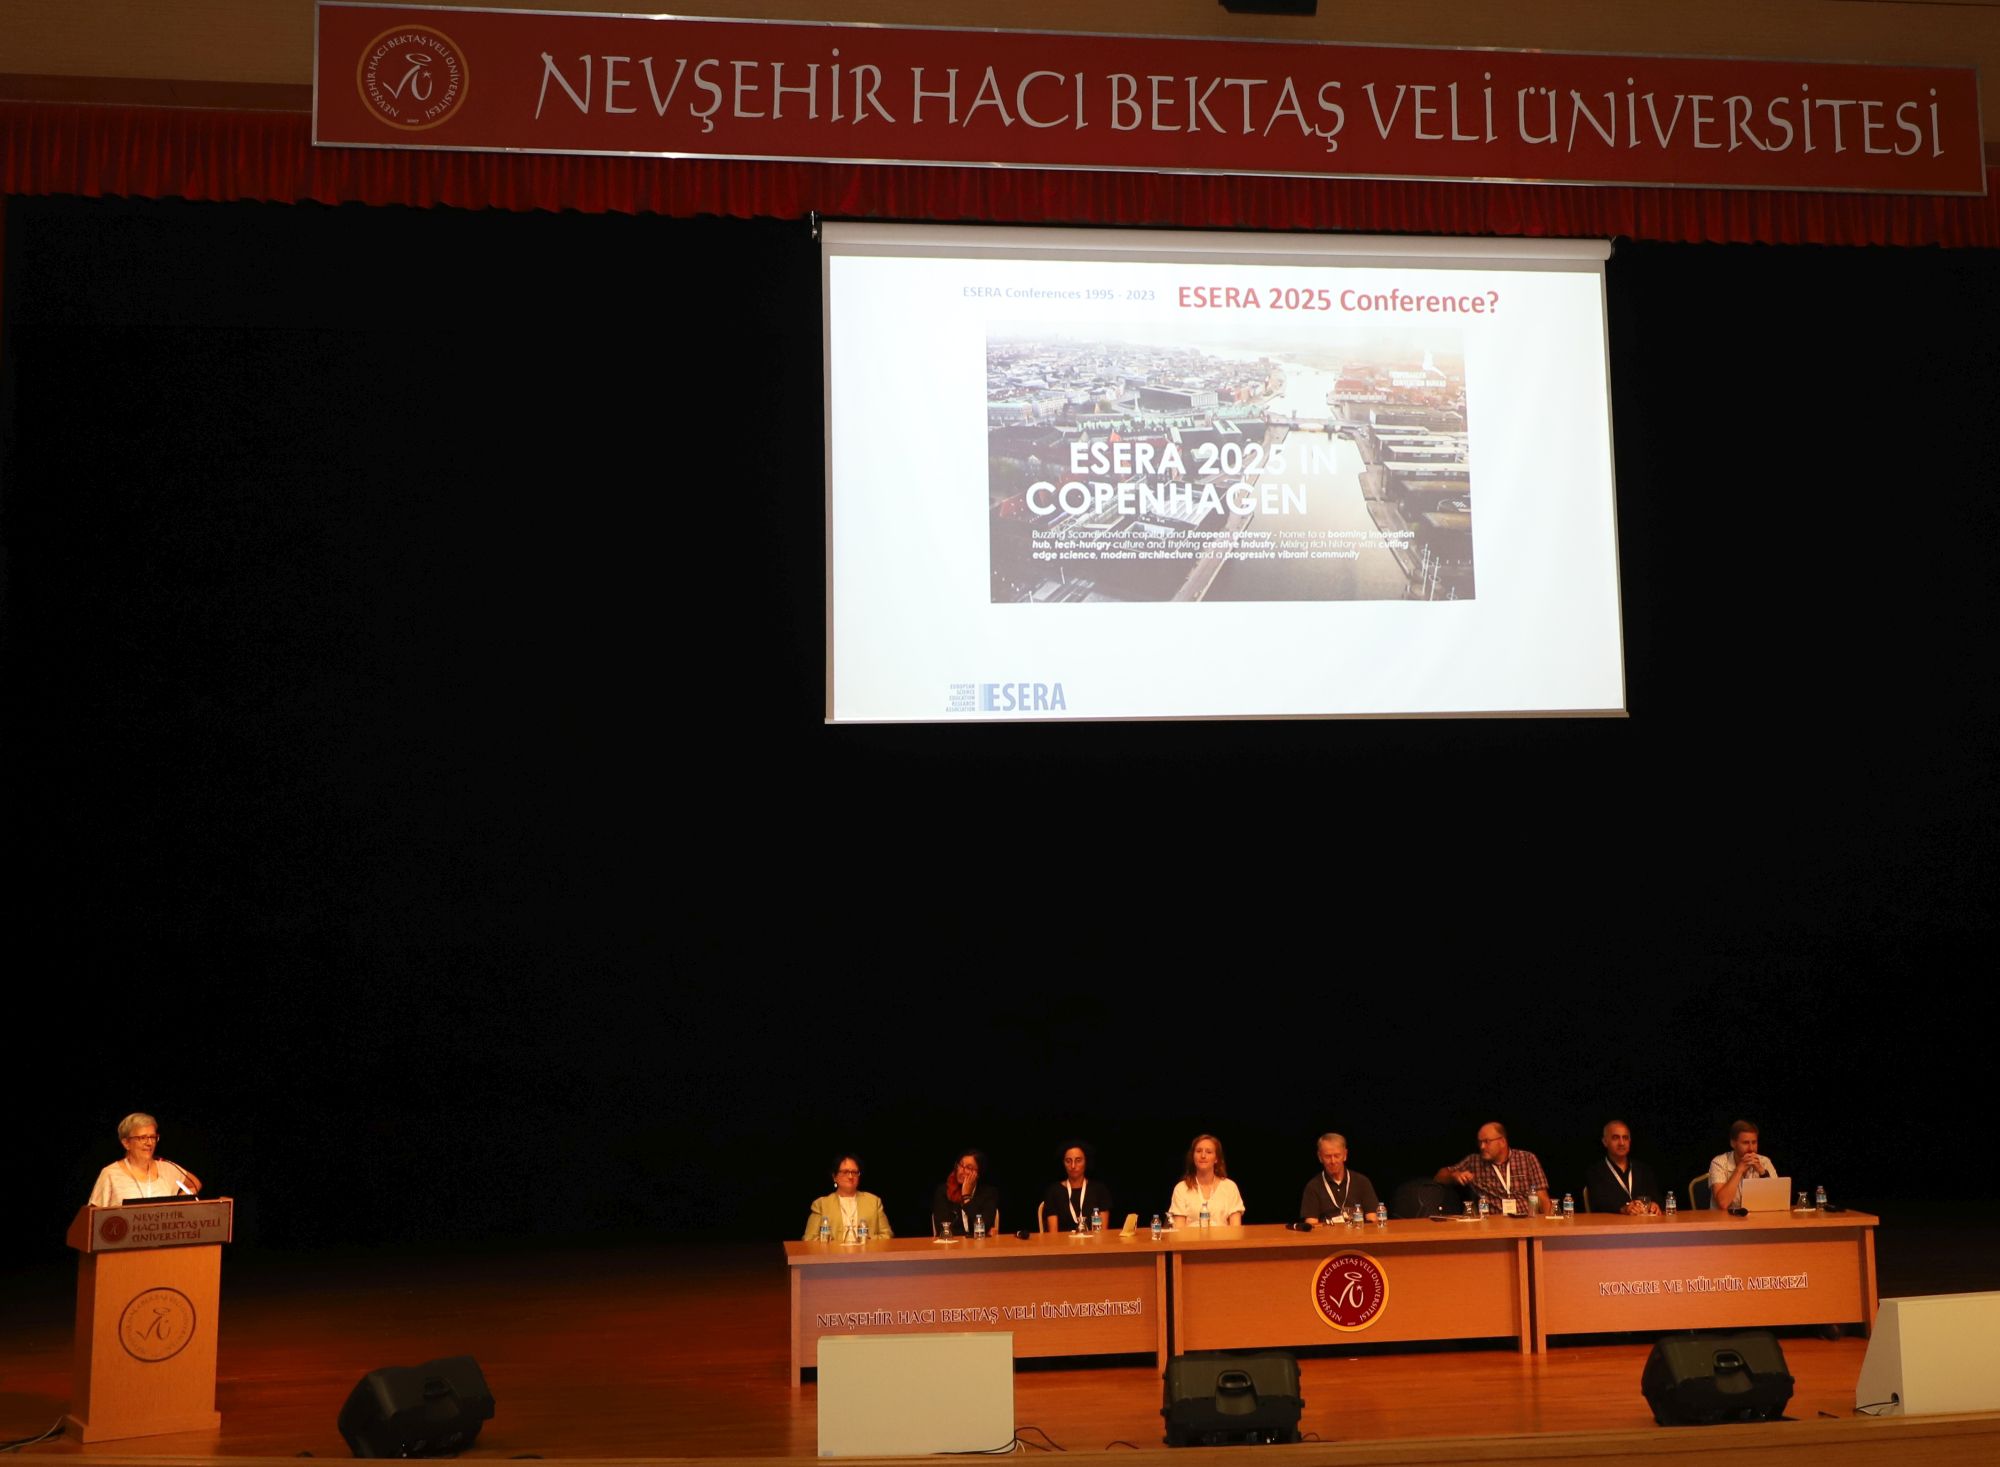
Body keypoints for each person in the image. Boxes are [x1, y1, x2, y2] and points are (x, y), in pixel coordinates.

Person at [1434, 1121, 1551, 1216]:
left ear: (1502, 1142)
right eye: (1480, 1142)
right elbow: (1438, 1177)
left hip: (1525, 1221)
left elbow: (1543, 1198)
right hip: (1492, 1224)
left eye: (1486, 1141)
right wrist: (1454, 1175)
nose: (1482, 1146)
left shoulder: (1527, 1158)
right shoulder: (1474, 1161)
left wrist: (1548, 1228)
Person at [88, 1113, 200, 1206]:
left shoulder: (168, 1168)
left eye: (152, 1137)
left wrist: (177, 1205)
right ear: (126, 1143)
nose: (149, 1143)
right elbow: (92, 1215)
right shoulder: (110, 1174)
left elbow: (194, 1185)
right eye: (142, 1138)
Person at [803, 1153, 892, 1241]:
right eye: (845, 1172)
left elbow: (887, 1235)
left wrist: (865, 1241)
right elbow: (809, 1238)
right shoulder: (821, 1204)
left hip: (867, 1250)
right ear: (834, 1177)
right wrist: (833, 1245)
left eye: (854, 1172)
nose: (850, 1176)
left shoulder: (874, 1201)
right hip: (833, 1251)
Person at [1297, 1132, 1381, 1224]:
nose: (1333, 1161)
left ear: (1345, 1155)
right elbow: (1311, 1224)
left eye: (1337, 1156)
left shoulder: (1362, 1182)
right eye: (1328, 1156)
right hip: (1327, 1233)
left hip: (1357, 1232)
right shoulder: (1313, 1186)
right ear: (1320, 1157)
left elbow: (1372, 1220)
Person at [1582, 1120, 1663, 1215]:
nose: (1621, 1143)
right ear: (1605, 1142)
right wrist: (1623, 1209)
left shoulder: (1643, 1170)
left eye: (1625, 1138)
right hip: (1610, 1223)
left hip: (1643, 1222)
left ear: (1630, 1141)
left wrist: (1654, 1205)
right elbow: (1599, 1204)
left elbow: (1657, 1198)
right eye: (1615, 1138)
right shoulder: (1595, 1172)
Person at [1168, 1134, 1244, 1226]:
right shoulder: (1181, 1188)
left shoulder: (1230, 1187)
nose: (1203, 1155)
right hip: (1191, 1236)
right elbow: (1179, 1230)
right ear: (1193, 1156)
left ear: (1216, 1159)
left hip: (1223, 1236)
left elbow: (1236, 1229)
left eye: (1209, 1152)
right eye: (1199, 1151)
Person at [1042, 1141, 1114, 1232]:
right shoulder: (1053, 1191)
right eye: (1068, 1161)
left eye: (1078, 1160)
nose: (1073, 1166)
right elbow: (1053, 1235)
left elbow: (1103, 1233)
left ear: (1086, 1162)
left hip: (1094, 1241)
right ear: (1063, 1163)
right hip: (1062, 1241)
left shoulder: (1099, 1190)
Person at [1709, 1119, 1777, 1210]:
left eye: (1754, 1142)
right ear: (1733, 1143)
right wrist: (1739, 1170)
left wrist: (1762, 1172)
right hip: (1725, 1217)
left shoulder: (1764, 1161)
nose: (1751, 1148)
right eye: (1745, 1143)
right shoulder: (1718, 1162)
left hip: (1756, 1216)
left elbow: (1776, 1199)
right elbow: (1723, 1203)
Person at [931, 1149, 1000, 1236]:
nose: (961, 1171)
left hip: (980, 1244)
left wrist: (966, 1198)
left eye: (969, 1167)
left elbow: (985, 1225)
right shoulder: (944, 1191)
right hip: (952, 1244)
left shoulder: (989, 1193)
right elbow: (943, 1230)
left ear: (978, 1173)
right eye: (960, 1165)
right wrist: (977, 1233)